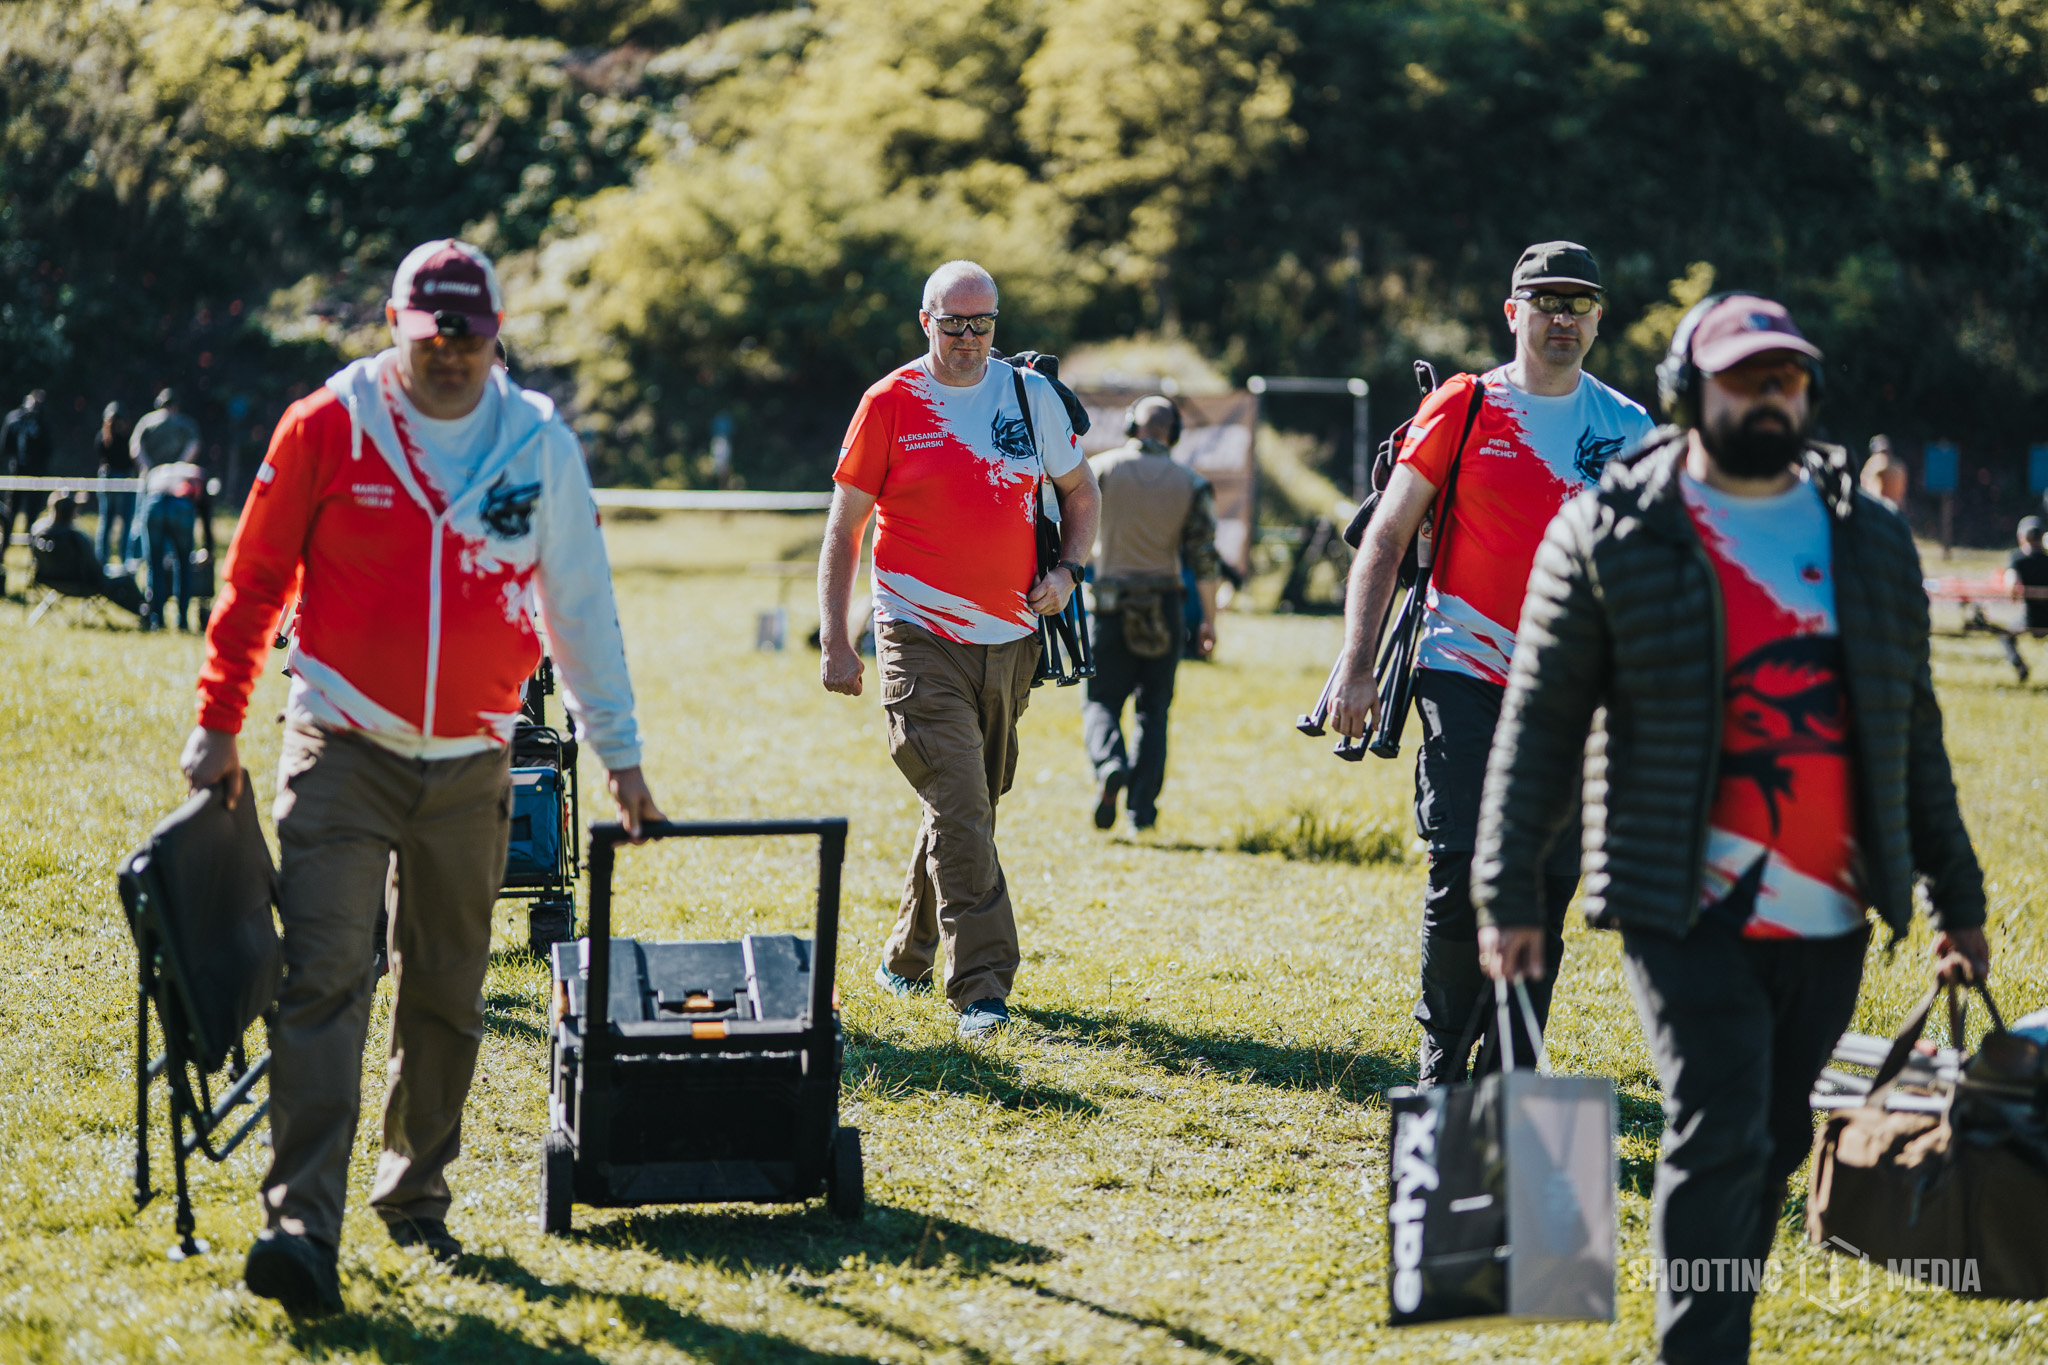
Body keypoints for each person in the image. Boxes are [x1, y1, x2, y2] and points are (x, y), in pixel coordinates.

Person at [1472, 294, 1989, 1365]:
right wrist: (1508, 892)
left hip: (1830, 910)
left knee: (1775, 1135)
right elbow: (1540, 724)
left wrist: (1958, 897)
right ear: (1685, 392)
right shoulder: (1612, 529)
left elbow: (1911, 727)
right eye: (1745, 378)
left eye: (1785, 379)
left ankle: (1717, 1321)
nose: (1769, 397)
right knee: (1720, 1123)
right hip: (1679, 898)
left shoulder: (1868, 536)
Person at [180, 237, 665, 1316]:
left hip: (473, 759)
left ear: (497, 335)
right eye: (430, 334)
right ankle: (302, 1224)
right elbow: (254, 581)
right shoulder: (328, 426)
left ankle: (415, 1193)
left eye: (469, 335)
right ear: (396, 328)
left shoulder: (536, 444)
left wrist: (620, 754)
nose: (449, 353)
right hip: (341, 743)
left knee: (446, 988)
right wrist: (216, 723)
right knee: (325, 976)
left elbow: (580, 606)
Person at [1327, 241, 1654, 1083]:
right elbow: (1386, 537)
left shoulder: (1630, 427)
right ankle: (1443, 1056)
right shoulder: (1466, 404)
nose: (1562, 318)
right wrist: (1356, 663)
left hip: (1576, 691)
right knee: (1462, 864)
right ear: (1514, 312)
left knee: (1548, 879)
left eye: (1578, 303)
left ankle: (1511, 1068)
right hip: (1463, 668)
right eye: (1546, 302)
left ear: (1598, 318)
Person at [818, 259, 1101, 1038]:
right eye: (954, 324)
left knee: (970, 801)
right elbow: (844, 528)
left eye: (983, 324)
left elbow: (1081, 491)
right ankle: (982, 987)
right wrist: (836, 637)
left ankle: (904, 957)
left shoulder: (1030, 395)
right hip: (917, 635)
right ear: (926, 321)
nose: (969, 338)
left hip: (1011, 640)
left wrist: (1069, 570)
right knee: (963, 803)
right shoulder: (890, 403)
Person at [1082, 394, 1221, 832]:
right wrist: (1209, 621)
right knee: (1153, 711)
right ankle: (1141, 812)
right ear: (1173, 433)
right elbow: (1205, 560)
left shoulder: (1100, 470)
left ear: (1131, 426)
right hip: (1165, 607)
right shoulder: (1192, 483)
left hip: (1110, 605)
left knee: (1102, 700)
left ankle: (1109, 764)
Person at [27, 491, 145, 616]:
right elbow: (96, 570)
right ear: (73, 512)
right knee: (125, 578)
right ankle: (144, 612)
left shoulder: (39, 531)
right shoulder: (76, 537)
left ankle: (143, 611)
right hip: (83, 584)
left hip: (47, 579)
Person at [137, 459, 216, 632]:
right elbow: (205, 511)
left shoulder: (158, 470)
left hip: (154, 503)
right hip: (181, 506)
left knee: (154, 566)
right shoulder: (198, 474)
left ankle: (157, 619)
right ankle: (182, 621)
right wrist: (209, 546)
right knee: (184, 565)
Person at [1, 389, 54, 595]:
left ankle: (33, 565)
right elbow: (6, 445)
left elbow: (48, 449)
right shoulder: (19, 420)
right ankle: (4, 561)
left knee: (29, 523)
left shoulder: (37, 422)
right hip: (21, 477)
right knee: (11, 520)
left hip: (30, 478)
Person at [1998, 514, 2048, 681]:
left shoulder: (2017, 559)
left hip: (2030, 620)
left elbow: (2011, 582)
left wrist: (2013, 594)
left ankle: (2019, 665)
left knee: (2005, 635)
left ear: (2022, 537)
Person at [95, 400, 138, 566]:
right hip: (124, 480)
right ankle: (125, 560)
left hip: (108, 478)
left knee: (106, 521)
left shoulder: (103, 436)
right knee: (125, 522)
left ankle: (102, 561)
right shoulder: (127, 437)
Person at [130, 386, 200, 473]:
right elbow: (194, 446)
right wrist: (179, 465)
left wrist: (147, 466)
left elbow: (135, 448)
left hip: (152, 473)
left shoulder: (146, 421)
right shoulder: (186, 423)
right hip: (176, 474)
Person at [1859, 434, 1906, 512]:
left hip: (1877, 507)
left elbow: (1863, 483)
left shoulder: (1875, 462)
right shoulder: (1900, 465)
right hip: (1896, 507)